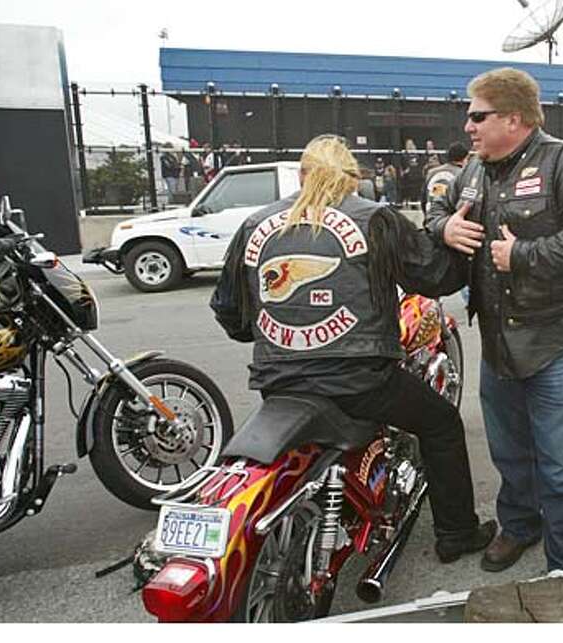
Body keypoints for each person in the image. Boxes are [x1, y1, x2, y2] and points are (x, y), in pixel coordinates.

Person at [211, 134, 496, 563]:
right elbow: (434, 277)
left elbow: (229, 310)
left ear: (302, 174)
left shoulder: (257, 223)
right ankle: (456, 533)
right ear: (351, 180)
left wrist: (279, 337)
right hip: (360, 382)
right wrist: (452, 238)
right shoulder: (374, 219)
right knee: (441, 424)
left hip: (278, 380)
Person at [426, 68, 563, 573]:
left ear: (513, 118)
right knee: (511, 453)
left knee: (562, 465)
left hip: (561, 337)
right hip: (498, 340)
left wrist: (527, 255)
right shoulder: (473, 170)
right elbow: (434, 216)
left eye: (477, 116)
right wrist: (444, 227)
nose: (467, 127)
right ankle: (519, 526)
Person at [424, 141, 469, 213]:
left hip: (431, 216)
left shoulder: (431, 173)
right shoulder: (463, 175)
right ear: (465, 158)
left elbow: (423, 199)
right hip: (451, 219)